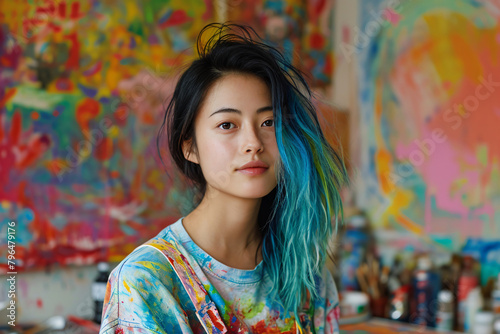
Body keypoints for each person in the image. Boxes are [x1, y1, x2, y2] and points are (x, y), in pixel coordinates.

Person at [99, 22, 348, 334]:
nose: (253, 142)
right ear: (189, 147)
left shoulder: (306, 275)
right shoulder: (146, 282)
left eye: (269, 122)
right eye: (228, 125)